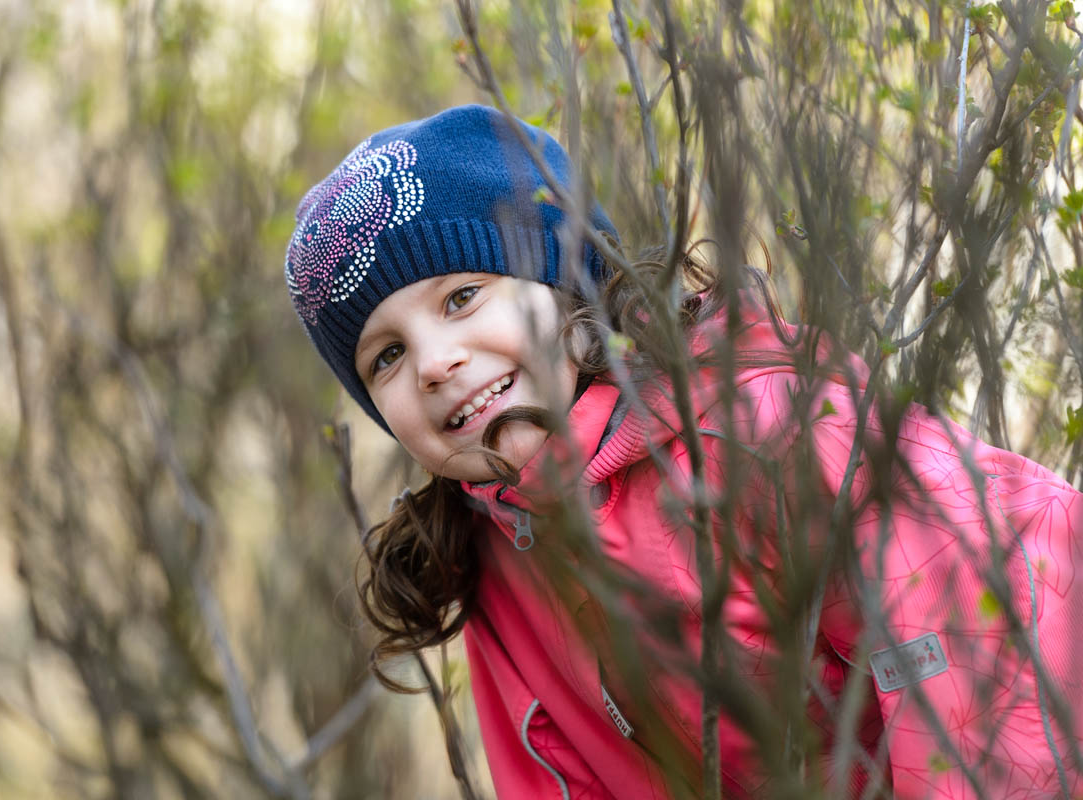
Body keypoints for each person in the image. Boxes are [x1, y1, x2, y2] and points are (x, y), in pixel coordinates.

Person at [285, 104, 1083, 799]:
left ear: (571, 286)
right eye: (384, 357)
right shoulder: (493, 561)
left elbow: (988, 661)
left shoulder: (760, 423)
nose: (432, 364)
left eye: (462, 298)